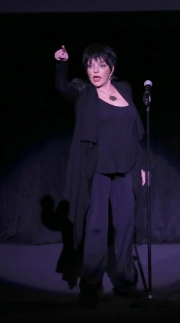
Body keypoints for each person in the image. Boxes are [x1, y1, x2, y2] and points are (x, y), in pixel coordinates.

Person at [54, 44, 146, 309]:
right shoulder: (83, 91)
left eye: (101, 65)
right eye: (90, 65)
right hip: (97, 170)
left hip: (125, 169)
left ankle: (126, 282)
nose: (95, 71)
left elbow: (134, 133)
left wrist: (139, 165)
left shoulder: (126, 89)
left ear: (112, 69)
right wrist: (62, 64)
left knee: (126, 225)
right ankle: (91, 286)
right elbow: (63, 88)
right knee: (96, 227)